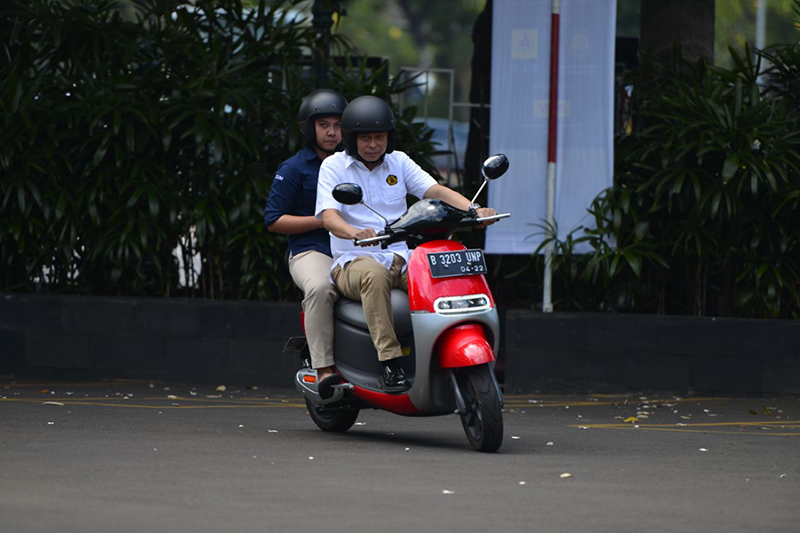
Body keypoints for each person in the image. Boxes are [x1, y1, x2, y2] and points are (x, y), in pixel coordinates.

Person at [315, 95, 497, 393]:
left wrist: (474, 211)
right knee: (373, 274)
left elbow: (434, 190)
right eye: (365, 138)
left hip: (399, 256)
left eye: (380, 137)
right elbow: (329, 216)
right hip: (353, 261)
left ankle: (448, 349)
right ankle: (389, 361)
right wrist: (353, 232)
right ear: (350, 139)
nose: (373, 144)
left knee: (437, 271)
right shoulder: (334, 167)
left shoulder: (398, 162)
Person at [264, 89, 347, 399]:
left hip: (353, 248)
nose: (331, 132)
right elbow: (273, 220)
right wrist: (321, 221)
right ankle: (323, 369)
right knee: (321, 287)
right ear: (308, 128)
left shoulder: (354, 164)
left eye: (338, 125)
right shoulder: (294, 168)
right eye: (323, 124)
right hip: (310, 249)